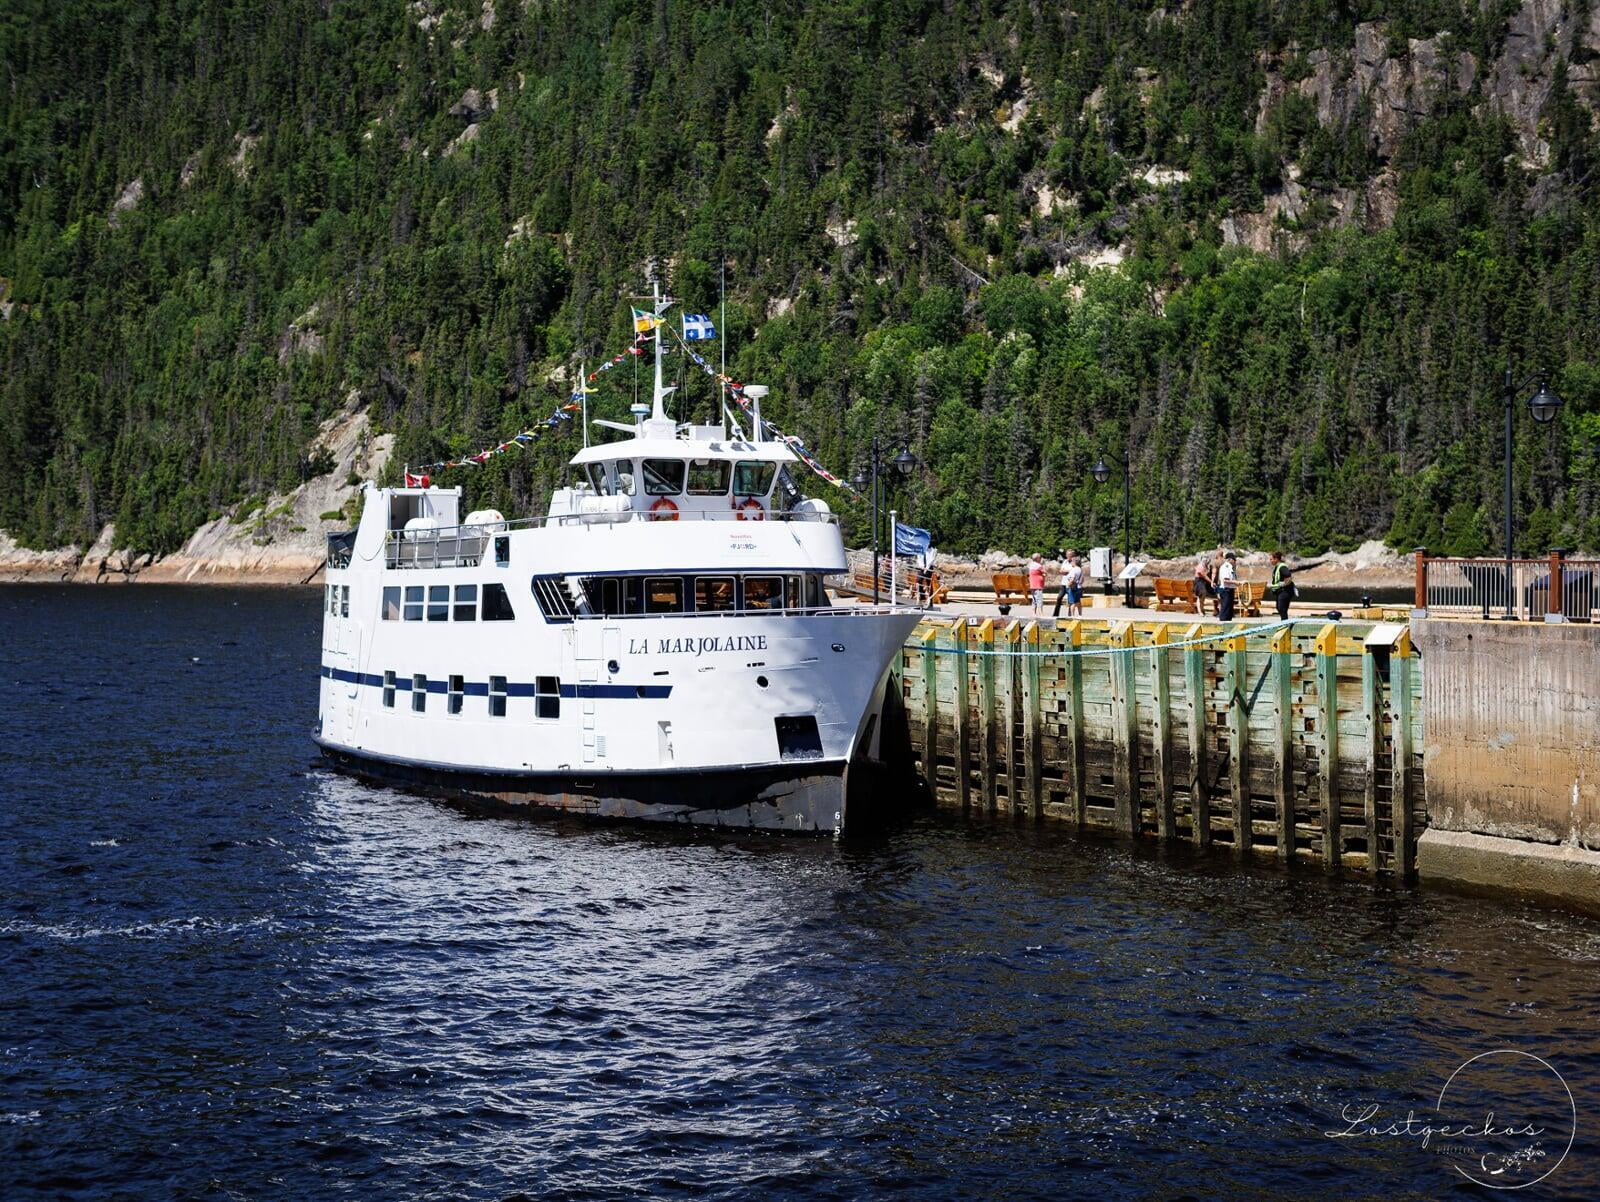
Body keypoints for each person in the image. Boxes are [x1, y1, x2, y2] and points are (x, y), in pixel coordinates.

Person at [1268, 550, 1295, 621]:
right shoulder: (1277, 567)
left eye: (1271, 559)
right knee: (1279, 607)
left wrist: (1283, 584)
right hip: (1280, 591)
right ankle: (1286, 622)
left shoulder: (1282, 567)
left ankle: (1285, 623)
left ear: (1276, 559)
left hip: (1285, 591)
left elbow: (1289, 576)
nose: (1270, 561)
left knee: (1282, 608)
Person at [1052, 549, 1074, 617]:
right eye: (1067, 554)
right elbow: (1061, 571)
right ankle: (1055, 614)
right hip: (1063, 584)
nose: (1068, 556)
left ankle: (1070, 615)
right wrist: (1066, 571)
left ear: (1072, 555)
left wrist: (1066, 571)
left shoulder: (1074, 562)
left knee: (1070, 600)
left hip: (1070, 584)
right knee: (1059, 598)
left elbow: (1073, 571)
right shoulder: (1065, 561)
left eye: (1070, 555)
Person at [1193, 551, 1217, 616]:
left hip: (1202, 582)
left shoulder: (1205, 566)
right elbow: (1204, 576)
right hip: (1199, 582)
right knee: (1200, 596)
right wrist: (1211, 582)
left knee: (1202, 597)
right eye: (1205, 559)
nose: (1206, 560)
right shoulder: (1200, 566)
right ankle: (1200, 611)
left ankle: (1202, 609)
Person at [1217, 551, 1238, 621]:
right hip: (1226, 590)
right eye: (1233, 559)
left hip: (1230, 589)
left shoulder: (1231, 567)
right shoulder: (1226, 567)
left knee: (1229, 609)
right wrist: (1236, 582)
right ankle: (1223, 622)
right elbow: (1225, 580)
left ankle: (1228, 621)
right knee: (1225, 608)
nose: (1235, 561)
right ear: (1229, 559)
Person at [1066, 553, 1085, 617]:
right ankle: (1080, 615)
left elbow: (1073, 578)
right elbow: (1082, 580)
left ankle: (1072, 615)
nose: (1071, 562)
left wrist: (1069, 585)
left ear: (1074, 562)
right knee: (1078, 602)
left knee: (1072, 602)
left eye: (1071, 561)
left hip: (1073, 587)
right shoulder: (1080, 569)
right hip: (1079, 587)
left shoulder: (1074, 569)